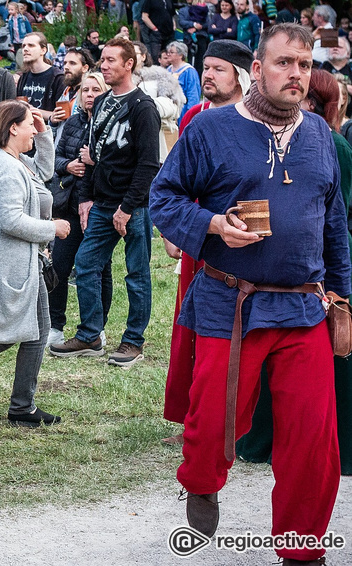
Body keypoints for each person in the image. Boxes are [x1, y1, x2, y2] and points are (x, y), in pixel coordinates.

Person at [149, 24, 350, 565]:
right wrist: (213, 225)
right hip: (228, 302)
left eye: (305, 65)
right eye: (285, 63)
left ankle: (302, 548)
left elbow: (335, 225)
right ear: (256, 70)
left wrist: (343, 299)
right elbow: (163, 198)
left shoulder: (320, 138)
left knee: (313, 438)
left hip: (304, 306)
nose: (297, 75)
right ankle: (201, 479)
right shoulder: (210, 130)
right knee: (213, 418)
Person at [236, 68, 352, 478]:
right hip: (258, 279)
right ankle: (258, 442)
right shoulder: (249, 132)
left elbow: (335, 215)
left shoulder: (328, 141)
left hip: (312, 278)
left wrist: (337, 288)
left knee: (316, 388)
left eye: (302, 71)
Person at [161, 38, 253, 446]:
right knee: (191, 327)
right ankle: (190, 419)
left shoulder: (255, 120)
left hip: (241, 243)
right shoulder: (193, 116)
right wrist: (174, 231)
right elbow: (174, 185)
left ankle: (230, 421)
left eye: (219, 68)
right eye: (206, 68)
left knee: (233, 333)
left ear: (241, 75)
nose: (208, 75)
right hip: (200, 235)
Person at [51, 37, 160, 367]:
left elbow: (148, 165)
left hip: (133, 206)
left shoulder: (142, 108)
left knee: (136, 274)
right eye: (103, 59)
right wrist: (86, 198)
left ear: (129, 64)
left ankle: (133, 341)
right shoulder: (100, 104)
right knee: (85, 264)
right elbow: (91, 157)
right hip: (101, 203)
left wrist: (127, 208)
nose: (105, 65)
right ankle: (90, 335)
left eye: (112, 60)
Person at [0, 99, 68, 426]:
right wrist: (51, 228)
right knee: (1, 336)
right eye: (28, 125)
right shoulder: (8, 169)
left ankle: (22, 407)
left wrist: (43, 134)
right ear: (13, 128)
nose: (32, 129)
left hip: (26, 264)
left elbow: (45, 170)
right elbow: (10, 221)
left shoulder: (16, 161)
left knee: (36, 331)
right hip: (11, 265)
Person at [48, 72, 113, 351]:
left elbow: (116, 163)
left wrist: (91, 163)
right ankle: (55, 325)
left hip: (100, 205)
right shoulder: (72, 122)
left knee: (100, 269)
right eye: (85, 89)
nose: (89, 94)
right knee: (59, 266)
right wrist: (68, 165)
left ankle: (97, 327)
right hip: (69, 205)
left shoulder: (112, 124)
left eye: (95, 89)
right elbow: (56, 157)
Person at [15, 32, 64, 122]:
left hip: (48, 132)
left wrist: (31, 110)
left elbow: (60, 114)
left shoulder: (58, 78)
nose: (25, 49)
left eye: (31, 45)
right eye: (23, 46)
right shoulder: (24, 76)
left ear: (43, 50)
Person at [165, 41, 200, 123]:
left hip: (183, 112)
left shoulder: (189, 71)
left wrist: (189, 114)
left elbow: (193, 95)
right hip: (169, 111)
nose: (168, 54)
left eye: (172, 52)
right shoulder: (168, 70)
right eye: (168, 52)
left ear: (181, 55)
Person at [141, 0, 175, 64]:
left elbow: (172, 15)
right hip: (156, 34)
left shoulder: (169, 1)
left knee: (169, 57)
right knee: (155, 57)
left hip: (169, 34)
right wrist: (154, 28)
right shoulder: (149, 1)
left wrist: (174, 26)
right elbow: (144, 16)